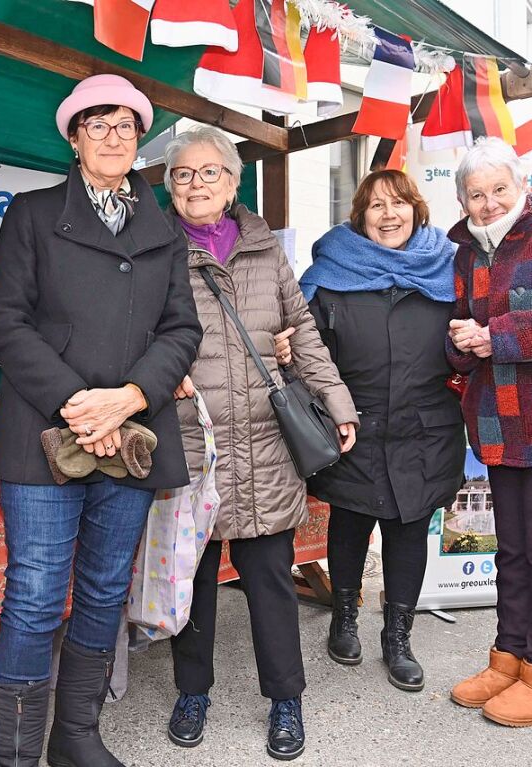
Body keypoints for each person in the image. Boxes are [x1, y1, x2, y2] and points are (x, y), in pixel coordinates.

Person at [0, 74, 202, 767]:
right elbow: (8, 323)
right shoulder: (31, 213)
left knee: (105, 588)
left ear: (139, 142)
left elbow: (181, 329)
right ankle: (15, 753)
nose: (112, 137)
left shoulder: (162, 230)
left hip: (132, 435)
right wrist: (81, 405)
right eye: (97, 124)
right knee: (37, 593)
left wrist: (129, 397)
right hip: (47, 433)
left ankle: (75, 735)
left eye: (126, 126)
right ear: (73, 138)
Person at [164, 126, 357, 762]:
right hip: (191, 441)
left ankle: (286, 700)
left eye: (209, 172)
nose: (197, 184)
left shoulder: (264, 247)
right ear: (170, 184)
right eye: (184, 174)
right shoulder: (153, 246)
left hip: (266, 445)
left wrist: (337, 402)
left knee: (270, 580)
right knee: (190, 581)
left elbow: (300, 328)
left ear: (232, 181)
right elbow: (132, 333)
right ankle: (193, 692)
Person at [300, 170, 464, 693]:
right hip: (355, 423)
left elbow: (468, 340)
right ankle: (344, 618)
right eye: (376, 206)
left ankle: (399, 636)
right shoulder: (331, 274)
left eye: (398, 204)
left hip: (425, 425)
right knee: (349, 522)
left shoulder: (447, 269)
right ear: (360, 217)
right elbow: (309, 350)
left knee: (409, 528)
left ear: (417, 209)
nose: (388, 215)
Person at [446, 137, 532, 727]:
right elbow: (461, 335)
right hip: (499, 423)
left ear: (520, 187)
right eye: (476, 194)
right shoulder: (466, 255)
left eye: (498, 189)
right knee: (513, 551)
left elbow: (506, 327)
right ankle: (510, 657)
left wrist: (494, 334)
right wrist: (460, 343)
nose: (488, 203)